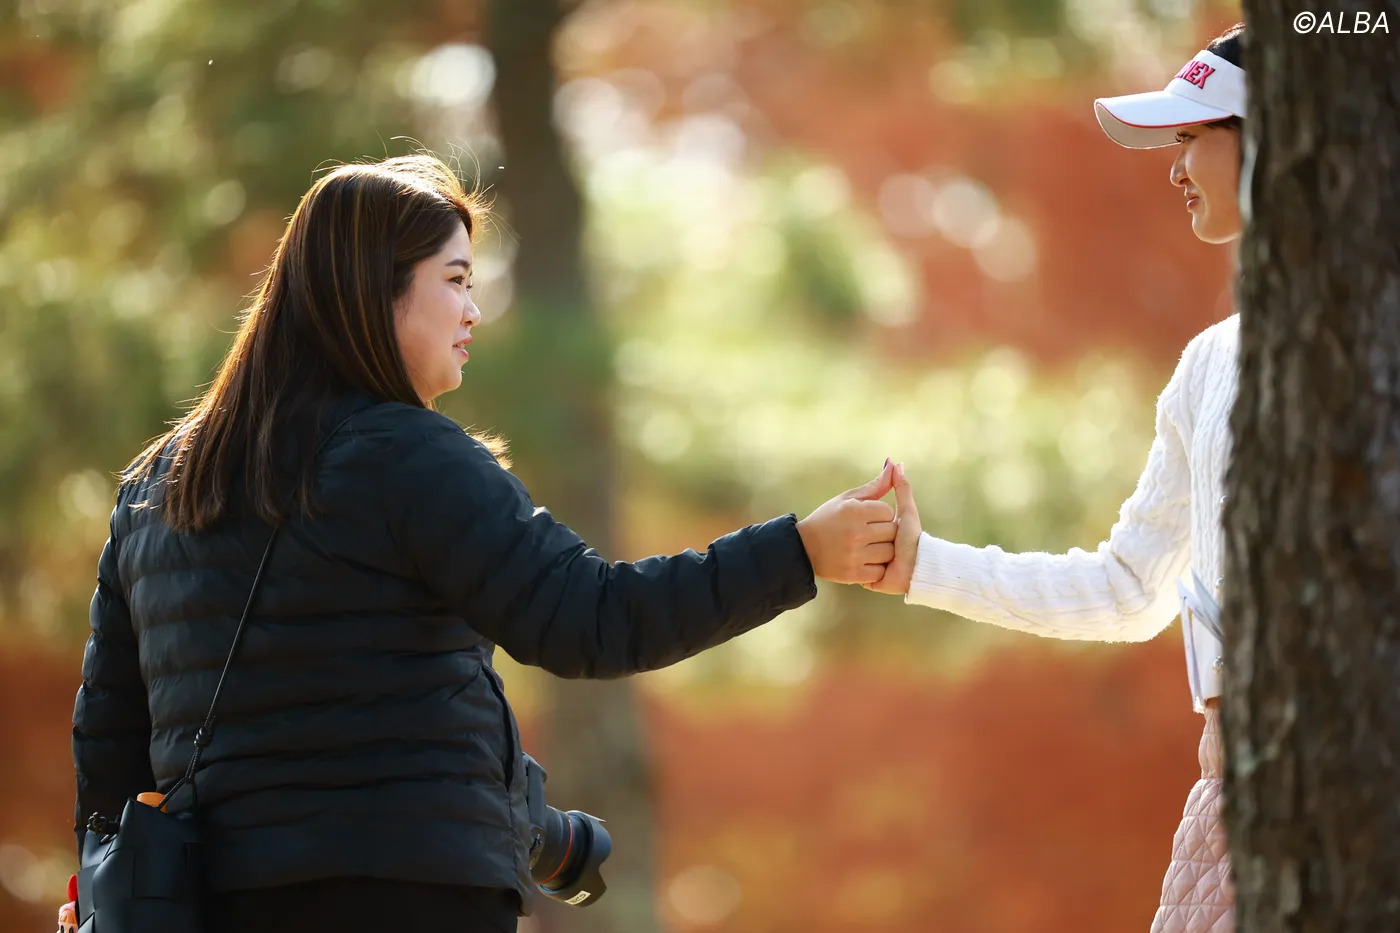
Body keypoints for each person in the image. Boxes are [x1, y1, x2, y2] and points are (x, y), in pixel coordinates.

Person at [71, 154, 902, 933]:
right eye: (456, 280)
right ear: (374, 290)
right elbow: (592, 618)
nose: (474, 310)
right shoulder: (408, 455)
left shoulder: (154, 485)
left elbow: (109, 734)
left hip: (213, 898)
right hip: (409, 888)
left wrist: (105, 884)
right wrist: (800, 552)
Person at [870, 24, 1249, 933]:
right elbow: (1126, 588)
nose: (1174, 167)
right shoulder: (1208, 365)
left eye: (1192, 136)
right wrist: (923, 565)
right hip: (1233, 796)